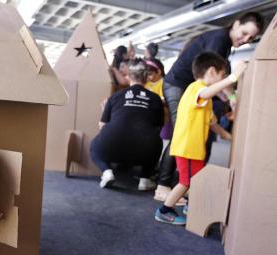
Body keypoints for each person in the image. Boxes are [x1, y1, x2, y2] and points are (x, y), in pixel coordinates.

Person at [155, 11, 264, 202]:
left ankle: (182, 184)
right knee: (182, 133)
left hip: (192, 87)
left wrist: (230, 97)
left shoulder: (225, 44)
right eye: (245, 33)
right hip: (178, 84)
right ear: (236, 24)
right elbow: (215, 77)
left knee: (199, 133)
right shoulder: (220, 40)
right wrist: (231, 90)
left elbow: (217, 79)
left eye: (251, 37)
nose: (246, 39)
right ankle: (163, 186)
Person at [154, 52, 246, 225]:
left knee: (196, 181)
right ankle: (164, 210)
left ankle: (192, 205)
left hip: (194, 150)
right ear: (211, 72)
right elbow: (206, 93)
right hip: (187, 148)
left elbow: (213, 124)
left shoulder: (207, 100)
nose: (223, 79)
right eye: (222, 75)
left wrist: (229, 136)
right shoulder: (195, 89)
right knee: (185, 182)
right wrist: (233, 77)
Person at [90, 59, 164, 190]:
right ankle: (144, 179)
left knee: (94, 146)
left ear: (128, 77)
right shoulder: (155, 98)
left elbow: (102, 125)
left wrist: (107, 113)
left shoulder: (116, 96)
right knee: (157, 142)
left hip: (112, 147)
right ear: (147, 77)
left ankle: (107, 172)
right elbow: (158, 127)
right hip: (144, 151)